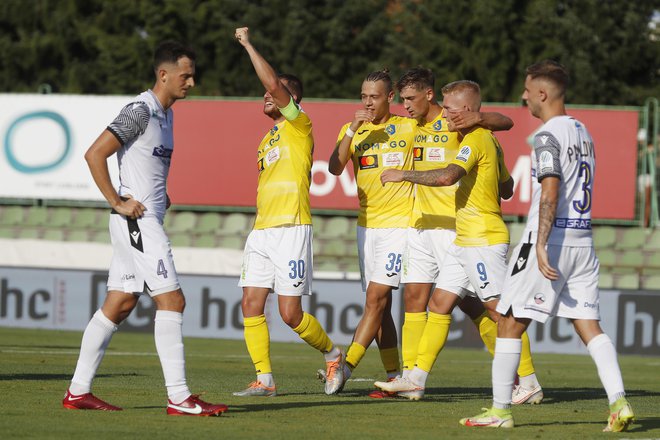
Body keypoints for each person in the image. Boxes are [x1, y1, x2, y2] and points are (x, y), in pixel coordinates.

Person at [460, 60, 634, 431]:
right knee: (589, 324)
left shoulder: (546, 136)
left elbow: (550, 187)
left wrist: (539, 244)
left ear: (542, 93)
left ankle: (500, 410)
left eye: (526, 90)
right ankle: (619, 401)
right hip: (582, 239)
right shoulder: (583, 131)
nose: (522, 96)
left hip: (550, 240)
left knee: (508, 322)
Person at [62, 41, 227, 416]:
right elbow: (95, 153)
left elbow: (142, 164)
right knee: (173, 300)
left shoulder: (166, 116)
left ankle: (77, 392)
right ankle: (180, 397)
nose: (192, 82)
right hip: (137, 222)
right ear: (163, 74)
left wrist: (160, 195)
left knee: (119, 304)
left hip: (143, 218)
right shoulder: (140, 110)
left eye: (193, 75)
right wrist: (117, 202)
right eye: (185, 76)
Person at [380, 68, 542, 403]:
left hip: (479, 236)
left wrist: (402, 174)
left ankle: (529, 382)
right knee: (439, 304)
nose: (447, 112)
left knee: (497, 311)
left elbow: (447, 177)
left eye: (452, 108)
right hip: (464, 236)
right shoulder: (479, 140)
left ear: (467, 111)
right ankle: (415, 379)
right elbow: (508, 187)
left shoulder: (476, 137)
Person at [232, 27, 344, 397]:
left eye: (274, 91)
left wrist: (248, 45)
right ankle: (264, 380)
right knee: (250, 303)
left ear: (291, 98)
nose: (266, 94)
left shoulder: (300, 124)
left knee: (290, 314)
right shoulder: (267, 138)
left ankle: (333, 354)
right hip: (262, 230)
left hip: (291, 228)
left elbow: (275, 87)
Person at [327, 69, 416, 395]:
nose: (367, 103)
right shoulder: (353, 131)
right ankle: (395, 376)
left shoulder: (407, 127)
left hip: (398, 227)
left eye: (374, 97)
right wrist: (352, 130)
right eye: (363, 96)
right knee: (379, 308)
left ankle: (344, 368)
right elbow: (334, 168)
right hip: (366, 228)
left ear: (389, 97)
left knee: (376, 299)